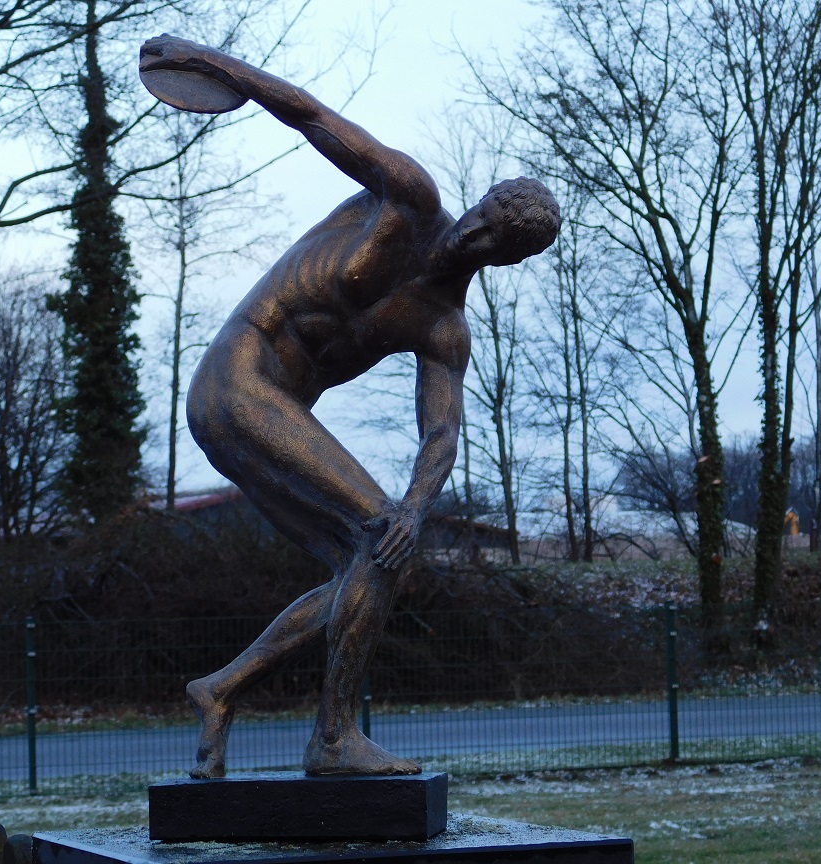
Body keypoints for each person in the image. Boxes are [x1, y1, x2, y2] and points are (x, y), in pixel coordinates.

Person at [139, 34, 561, 778]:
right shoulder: (409, 197)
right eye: (486, 211)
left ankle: (223, 689)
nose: (475, 232)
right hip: (236, 377)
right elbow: (309, 115)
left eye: (496, 239)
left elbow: (442, 433)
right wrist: (213, 63)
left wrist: (416, 510)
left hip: (262, 417)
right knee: (375, 535)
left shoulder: (443, 328)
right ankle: (333, 740)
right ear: (481, 197)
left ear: (506, 258)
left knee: (372, 559)